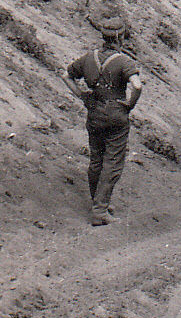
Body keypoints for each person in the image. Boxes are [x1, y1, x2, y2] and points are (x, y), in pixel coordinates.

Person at [61, 14, 144, 226]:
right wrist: (130, 104)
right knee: (112, 162)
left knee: (96, 159)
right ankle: (100, 210)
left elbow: (66, 75)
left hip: (94, 112)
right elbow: (137, 85)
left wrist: (81, 96)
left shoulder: (89, 58)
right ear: (120, 38)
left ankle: (98, 202)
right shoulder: (124, 61)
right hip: (116, 114)